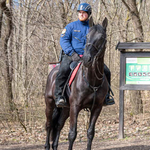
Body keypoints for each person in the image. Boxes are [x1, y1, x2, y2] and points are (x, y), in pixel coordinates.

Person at [54, 3, 114, 107]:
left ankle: (106, 96)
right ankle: (59, 96)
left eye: (84, 13)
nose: (81, 14)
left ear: (88, 14)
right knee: (63, 70)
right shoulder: (71, 26)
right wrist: (72, 53)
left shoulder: (92, 28)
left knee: (107, 71)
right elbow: (63, 40)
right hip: (71, 56)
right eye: (80, 12)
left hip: (89, 57)